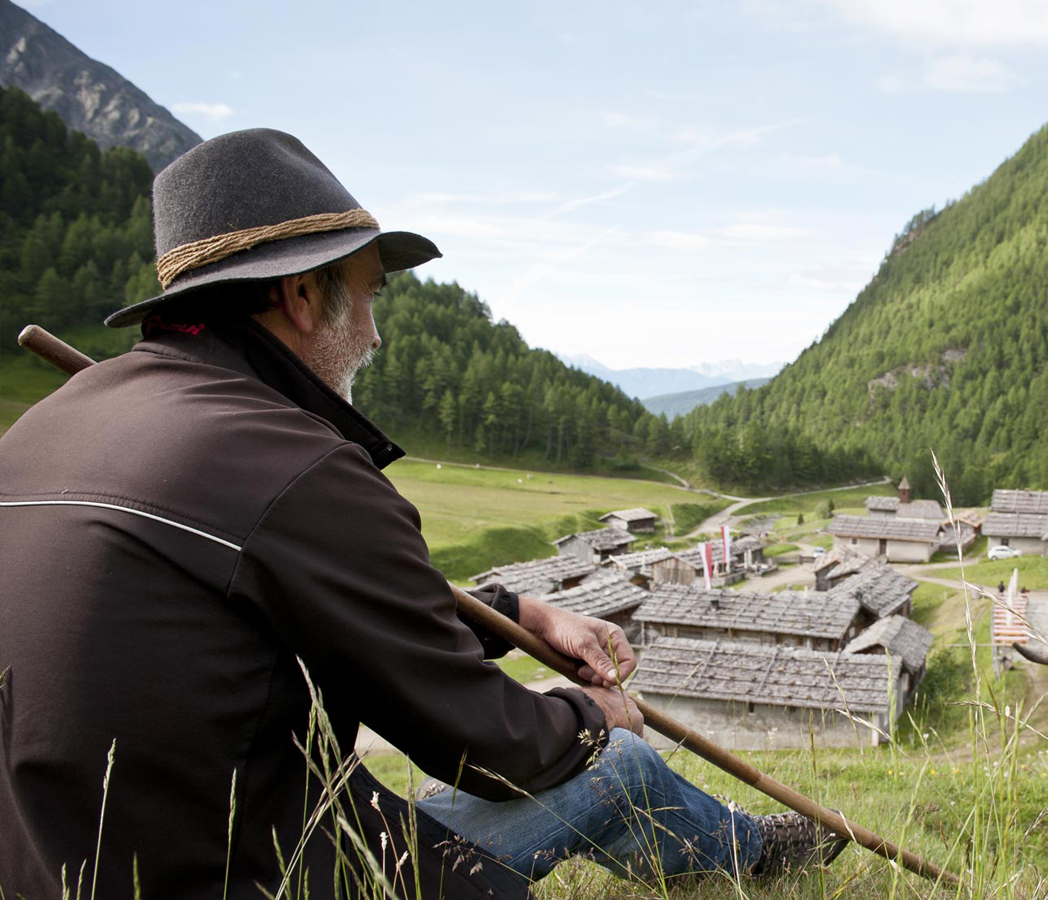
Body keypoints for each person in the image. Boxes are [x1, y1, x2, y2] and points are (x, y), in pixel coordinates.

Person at [0, 129, 843, 899]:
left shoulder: (45, 431)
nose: (376, 334)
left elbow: (324, 598)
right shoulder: (296, 467)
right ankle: (753, 859)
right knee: (616, 763)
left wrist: (524, 616)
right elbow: (490, 746)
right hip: (248, 874)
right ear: (300, 295)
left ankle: (739, 860)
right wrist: (593, 716)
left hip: (50, 867)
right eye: (368, 296)